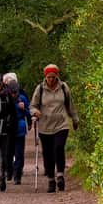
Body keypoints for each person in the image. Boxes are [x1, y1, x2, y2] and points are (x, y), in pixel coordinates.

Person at [29, 64, 79, 193]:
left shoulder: (63, 87)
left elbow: (70, 104)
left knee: (58, 148)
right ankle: (51, 179)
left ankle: (60, 175)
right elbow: (33, 106)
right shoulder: (40, 89)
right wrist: (35, 112)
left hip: (61, 124)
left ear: (57, 76)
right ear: (45, 77)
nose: (50, 80)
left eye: (53, 77)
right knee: (48, 153)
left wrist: (75, 119)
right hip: (45, 126)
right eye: (48, 77)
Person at [6, 80, 30, 184]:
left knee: (19, 154)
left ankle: (17, 175)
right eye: (12, 92)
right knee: (8, 153)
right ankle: (9, 171)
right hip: (7, 129)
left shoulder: (22, 99)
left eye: (15, 92)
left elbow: (29, 113)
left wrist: (24, 109)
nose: (14, 94)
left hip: (20, 129)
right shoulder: (5, 99)